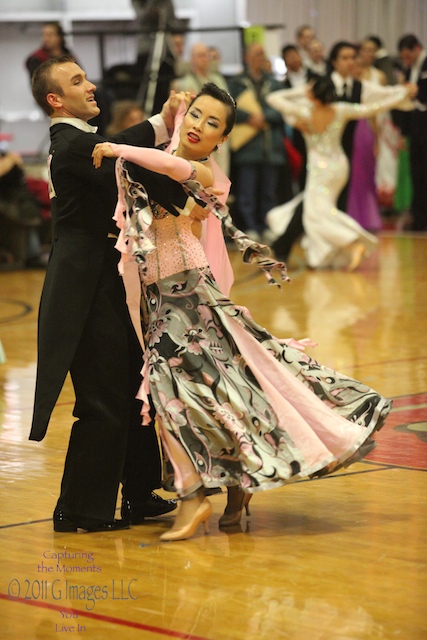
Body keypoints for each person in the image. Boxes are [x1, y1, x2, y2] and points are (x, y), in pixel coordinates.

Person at [93, 82, 393, 542]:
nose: (199, 126)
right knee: (223, 386)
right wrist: (164, 117)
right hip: (159, 295)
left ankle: (194, 497)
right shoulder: (158, 150)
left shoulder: (205, 172)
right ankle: (237, 482)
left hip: (187, 289)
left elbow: (170, 165)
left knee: (166, 386)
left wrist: (116, 145)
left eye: (212, 124)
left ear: (222, 139)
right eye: (196, 114)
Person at [29, 55, 183, 532]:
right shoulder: (72, 142)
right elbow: (119, 147)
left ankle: (138, 493)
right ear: (56, 100)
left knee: (131, 387)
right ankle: (78, 510)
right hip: (82, 294)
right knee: (101, 399)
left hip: (103, 285)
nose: (91, 85)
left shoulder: (80, 142)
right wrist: (163, 121)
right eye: (78, 81)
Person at [265, 77, 415, 270]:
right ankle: (325, 254)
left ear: (312, 94)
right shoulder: (341, 109)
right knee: (319, 211)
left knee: (315, 215)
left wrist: (302, 91)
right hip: (339, 167)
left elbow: (273, 98)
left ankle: (352, 243)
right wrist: (401, 94)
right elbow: (375, 107)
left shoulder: (304, 111)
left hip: (319, 169)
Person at [228, 43, 286, 241]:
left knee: (269, 193)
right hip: (247, 149)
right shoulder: (236, 83)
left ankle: (267, 226)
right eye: (255, 54)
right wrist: (250, 117)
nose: (259, 57)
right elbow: (230, 107)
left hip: (271, 148)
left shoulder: (274, 83)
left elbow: (282, 108)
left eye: (262, 54)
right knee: (247, 193)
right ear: (247, 57)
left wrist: (264, 117)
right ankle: (250, 227)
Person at [394, 34, 427, 231]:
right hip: (416, 128)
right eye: (403, 57)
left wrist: (416, 92)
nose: (406, 60)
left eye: (408, 55)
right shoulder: (409, 69)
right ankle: (419, 218)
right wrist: (403, 133)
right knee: (417, 173)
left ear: (417, 49)